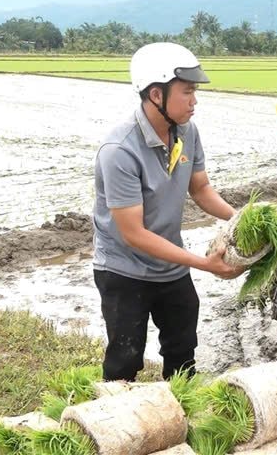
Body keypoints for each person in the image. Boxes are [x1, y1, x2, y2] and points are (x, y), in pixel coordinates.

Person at [93, 42, 244, 382]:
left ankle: (180, 419)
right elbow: (134, 234)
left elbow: (201, 189)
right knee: (125, 358)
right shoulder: (119, 151)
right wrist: (204, 263)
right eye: (187, 92)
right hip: (123, 269)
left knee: (182, 352)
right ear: (157, 95)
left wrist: (241, 220)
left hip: (170, 266)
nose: (194, 101)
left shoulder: (186, 133)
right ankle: (117, 423)